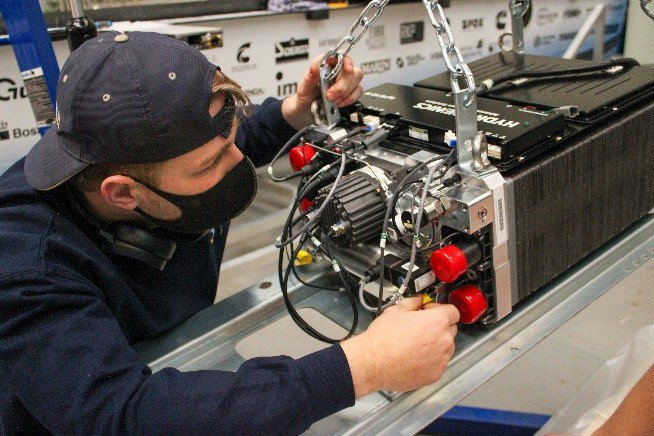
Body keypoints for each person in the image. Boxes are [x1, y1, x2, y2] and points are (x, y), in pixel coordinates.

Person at [0, 31, 460, 434]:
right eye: (212, 164)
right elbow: (123, 417)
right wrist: (363, 366)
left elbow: (227, 143)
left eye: (231, 141)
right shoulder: (26, 266)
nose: (238, 162)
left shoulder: (149, 151)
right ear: (122, 193)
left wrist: (295, 112)